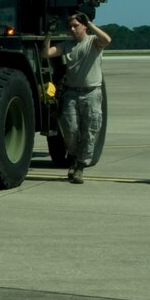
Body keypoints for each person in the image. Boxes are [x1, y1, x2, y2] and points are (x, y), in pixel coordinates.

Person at [44, 12, 111, 183]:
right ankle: (73, 157)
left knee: (90, 131)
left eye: (76, 26)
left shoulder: (94, 43)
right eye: (70, 27)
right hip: (72, 93)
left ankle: (80, 167)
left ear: (84, 26)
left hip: (91, 93)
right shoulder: (67, 45)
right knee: (70, 130)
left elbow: (107, 40)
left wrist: (90, 23)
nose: (72, 29)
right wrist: (49, 34)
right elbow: (46, 53)